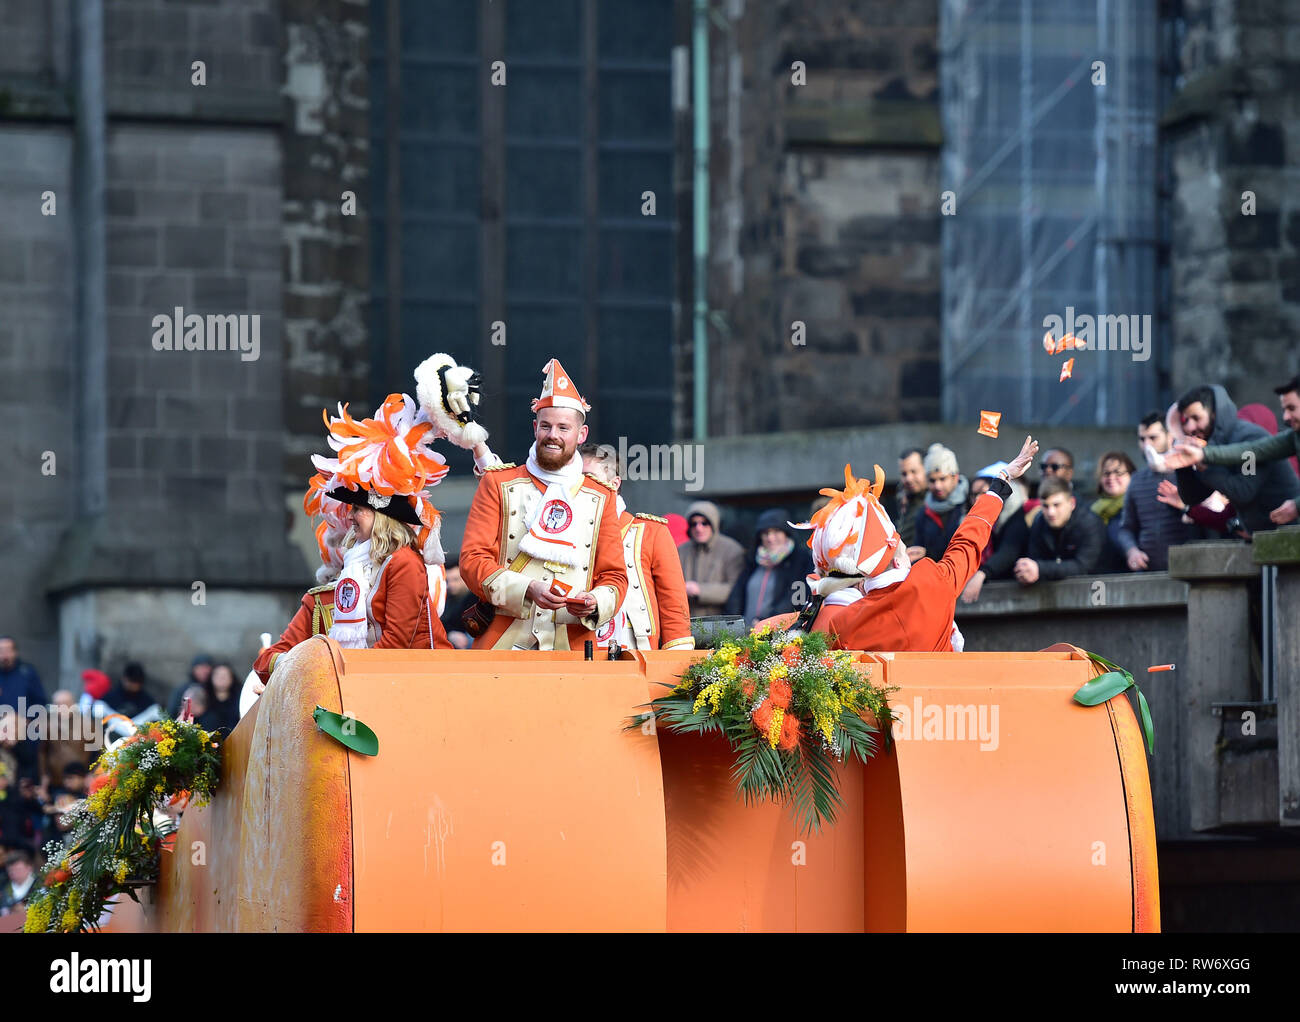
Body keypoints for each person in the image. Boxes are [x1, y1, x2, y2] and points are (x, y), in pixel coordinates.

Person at [775, 436, 1038, 651]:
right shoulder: (932, 581)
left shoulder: (842, 622)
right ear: (899, 559)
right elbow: (968, 541)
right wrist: (1001, 481)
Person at [460, 359, 627, 650]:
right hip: (502, 641)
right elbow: (473, 560)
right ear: (535, 428)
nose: (553, 435)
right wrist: (527, 589)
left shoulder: (602, 496)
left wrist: (594, 601)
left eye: (564, 428)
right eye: (546, 426)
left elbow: (614, 575)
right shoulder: (498, 483)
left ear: (581, 435)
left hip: (573, 647)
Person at [308, 393, 453, 651]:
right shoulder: (359, 561)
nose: (349, 516)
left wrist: (345, 672)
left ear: (383, 517)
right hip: (380, 676)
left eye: (358, 509)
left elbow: (396, 644)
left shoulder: (404, 562)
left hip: (417, 679)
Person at [580, 443, 694, 651]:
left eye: (589, 477)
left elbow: (674, 610)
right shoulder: (560, 536)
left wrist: (674, 670)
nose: (580, 485)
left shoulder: (651, 533)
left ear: (614, 484)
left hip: (636, 655)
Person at [1160, 384, 1299, 535]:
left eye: (1196, 418)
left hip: (1290, 532)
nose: (1191, 427)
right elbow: (1192, 497)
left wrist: (1205, 465)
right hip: (1265, 537)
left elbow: (1244, 491)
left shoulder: (1250, 438)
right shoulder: (1212, 446)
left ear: (1214, 414)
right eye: (1186, 420)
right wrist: (1183, 464)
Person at [1117, 411, 1203, 572]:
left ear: (1170, 437)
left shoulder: (1189, 474)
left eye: (1153, 438)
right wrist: (1132, 551)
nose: (1146, 445)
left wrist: (1186, 505)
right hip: (1149, 572)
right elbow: (1126, 528)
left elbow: (1213, 518)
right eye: (1142, 439)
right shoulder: (1136, 480)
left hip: (1190, 569)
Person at [725, 510, 816, 627]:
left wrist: (767, 622)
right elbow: (737, 596)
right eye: (765, 533)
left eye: (776, 531)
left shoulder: (800, 561)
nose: (770, 538)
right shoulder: (753, 561)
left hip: (778, 631)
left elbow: (795, 600)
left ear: (786, 533)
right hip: (746, 631)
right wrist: (732, 624)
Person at [959, 461, 1031, 603]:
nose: (978, 499)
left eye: (984, 493)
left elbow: (1008, 551)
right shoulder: (968, 520)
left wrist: (982, 573)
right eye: (974, 494)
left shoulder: (1015, 516)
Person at [1014, 476, 1104, 585]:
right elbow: (1035, 558)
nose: (1051, 512)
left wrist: (1040, 569)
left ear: (1072, 503)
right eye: (1045, 506)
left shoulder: (1090, 523)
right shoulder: (1039, 521)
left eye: (1056, 505)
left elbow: (1083, 566)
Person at [677, 500, 747, 618]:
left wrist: (699, 590)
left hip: (721, 624)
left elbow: (737, 589)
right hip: (686, 621)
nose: (699, 528)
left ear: (714, 524)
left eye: (704, 523)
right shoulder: (681, 550)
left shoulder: (732, 549)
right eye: (694, 524)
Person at [911, 443, 969, 562]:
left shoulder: (969, 504)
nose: (937, 486)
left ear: (955, 477)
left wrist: (928, 553)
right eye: (932, 480)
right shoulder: (924, 512)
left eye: (942, 479)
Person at [1091, 451, 1135, 572]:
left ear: (1132, 476)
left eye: (1118, 473)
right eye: (1106, 473)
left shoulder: (1137, 508)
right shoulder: (1093, 512)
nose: (1111, 478)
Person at [0, 637, 47, 716]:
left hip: (24, 724)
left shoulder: (27, 673)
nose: (5, 656)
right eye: (1, 651)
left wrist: (28, 721)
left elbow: (40, 702)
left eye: (8, 651)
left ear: (15, 652)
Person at [438, 558, 476, 650]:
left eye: (455, 580)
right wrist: (450, 634)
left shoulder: (476, 598)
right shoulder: (445, 598)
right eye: (448, 581)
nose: (451, 585)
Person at [895, 447, 928, 547]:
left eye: (914, 472)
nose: (908, 479)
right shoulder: (904, 499)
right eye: (904, 474)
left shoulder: (936, 502)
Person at [197, 663, 240, 735]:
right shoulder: (203, 698)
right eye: (218, 675)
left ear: (232, 678)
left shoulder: (240, 700)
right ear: (211, 677)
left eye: (225, 675)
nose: (221, 678)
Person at [0, 851, 36, 916]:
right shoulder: (3, 886)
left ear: (29, 867)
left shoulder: (40, 885)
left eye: (18, 869)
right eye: (10, 870)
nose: (13, 873)